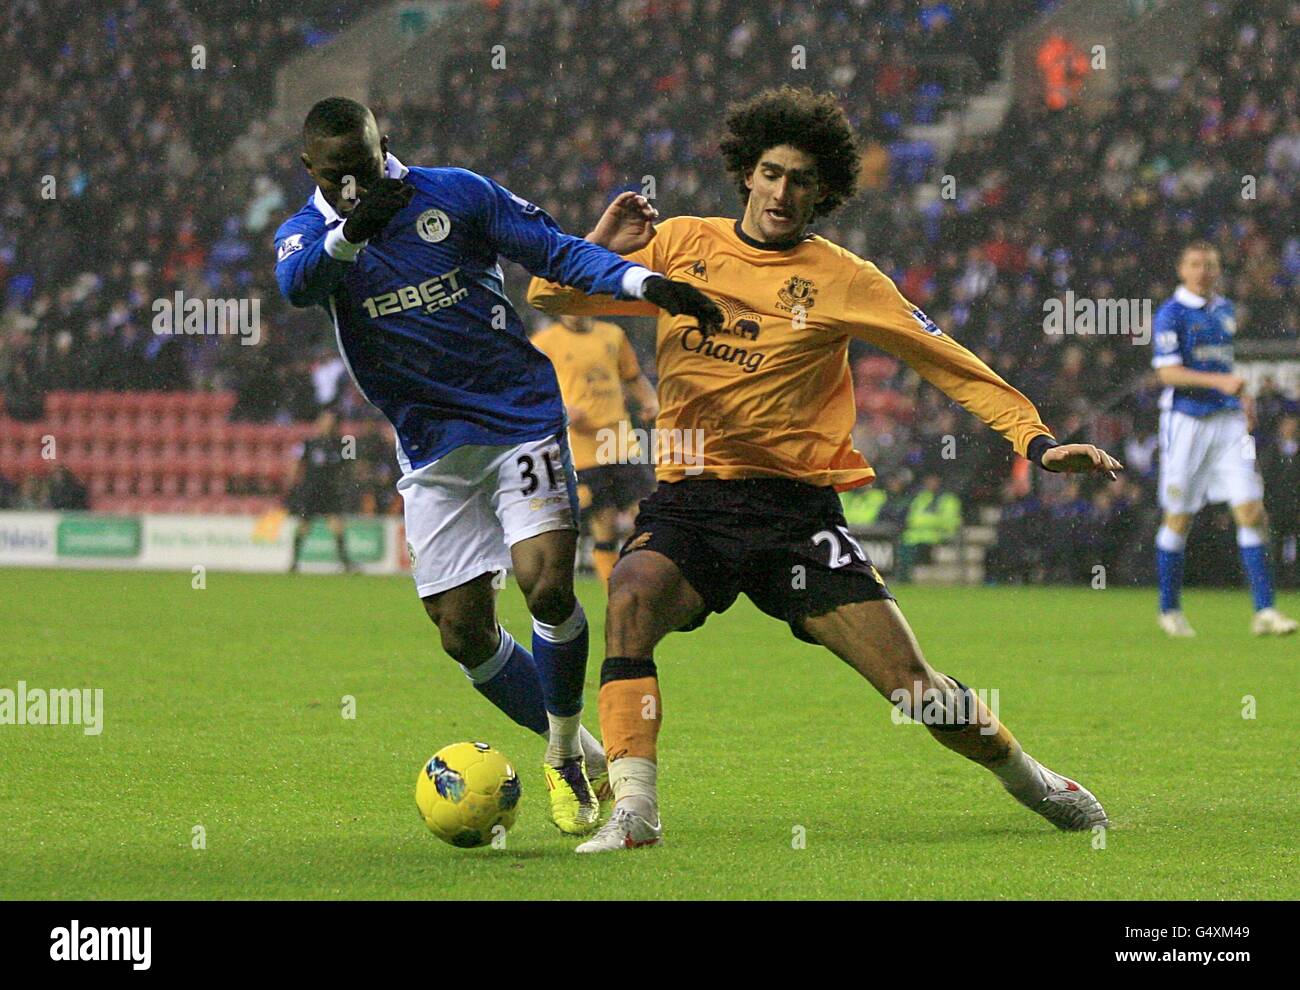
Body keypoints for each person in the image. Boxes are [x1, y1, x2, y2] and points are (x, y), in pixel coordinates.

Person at [529, 86, 1122, 853]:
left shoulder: (845, 279)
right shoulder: (680, 245)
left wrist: (1037, 442)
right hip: (690, 498)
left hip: (794, 514)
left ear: (824, 191)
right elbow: (553, 292)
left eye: (801, 179)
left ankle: (1031, 779)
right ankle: (635, 813)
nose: (782, 192)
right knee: (631, 597)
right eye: (771, 173)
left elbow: (949, 363)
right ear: (746, 174)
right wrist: (601, 239)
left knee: (913, 689)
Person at [273, 97, 721, 835]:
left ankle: (559, 755)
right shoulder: (308, 234)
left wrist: (644, 284)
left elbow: (555, 252)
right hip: (432, 452)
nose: (355, 183)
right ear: (308, 169)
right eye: (336, 176)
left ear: (386, 141)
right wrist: (355, 227)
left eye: (366, 165)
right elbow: (299, 288)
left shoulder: (457, 193)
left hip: (519, 419)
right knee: (462, 634)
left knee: (545, 586)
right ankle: (581, 747)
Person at [1150, 241, 1297, 637]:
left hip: (1228, 422)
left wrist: (1242, 396)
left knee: (1251, 511)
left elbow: (1224, 366)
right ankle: (1169, 610)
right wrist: (1219, 382)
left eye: (1210, 265)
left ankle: (1264, 611)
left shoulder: (1226, 310)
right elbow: (1167, 374)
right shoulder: (1171, 313)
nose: (1203, 272)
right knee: (1178, 518)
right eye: (1195, 264)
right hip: (1186, 423)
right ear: (1182, 269)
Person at [529, 315, 658, 586]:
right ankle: (617, 592)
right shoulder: (544, 343)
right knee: (605, 522)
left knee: (646, 517)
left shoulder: (613, 334)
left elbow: (632, 376)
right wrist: (560, 412)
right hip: (582, 450)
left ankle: (648, 583)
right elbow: (528, 392)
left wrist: (650, 401)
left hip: (619, 441)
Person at [288, 408, 356, 573]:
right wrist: (292, 484)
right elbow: (296, 463)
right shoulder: (308, 443)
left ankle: (346, 564)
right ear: (319, 423)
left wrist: (347, 483)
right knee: (304, 525)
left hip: (331, 490)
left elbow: (351, 465)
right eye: (325, 420)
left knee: (337, 525)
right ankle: (294, 563)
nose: (328, 424)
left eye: (331, 421)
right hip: (311, 489)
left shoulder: (346, 442)